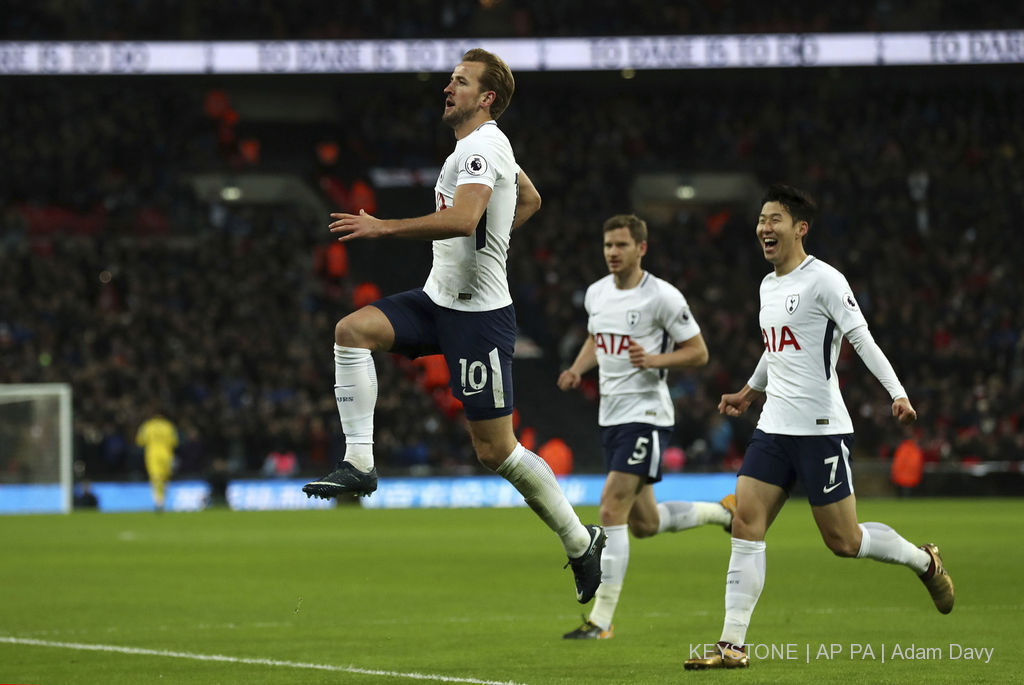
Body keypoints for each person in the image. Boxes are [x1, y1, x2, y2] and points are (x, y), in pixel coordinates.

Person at [302, 48, 605, 603]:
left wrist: (383, 228)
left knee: (495, 451)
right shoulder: (480, 147)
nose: (448, 88)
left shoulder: (483, 146)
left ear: (486, 98)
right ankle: (360, 463)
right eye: (450, 80)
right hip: (437, 299)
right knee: (351, 331)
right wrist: (499, 236)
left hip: (478, 319)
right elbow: (530, 198)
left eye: (460, 82)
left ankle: (580, 540)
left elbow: (465, 219)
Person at [685, 184, 954, 670]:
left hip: (820, 426)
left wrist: (897, 393)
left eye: (775, 220)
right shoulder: (767, 285)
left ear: (800, 228)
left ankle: (923, 560)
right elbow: (778, 347)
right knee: (746, 522)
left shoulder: (826, 280)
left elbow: (861, 338)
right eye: (762, 220)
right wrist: (750, 391)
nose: (765, 228)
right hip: (773, 426)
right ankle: (732, 645)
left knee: (844, 542)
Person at [557, 214, 735, 640]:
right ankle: (721, 512)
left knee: (609, 507)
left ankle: (600, 621)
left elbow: (698, 352)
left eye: (621, 245)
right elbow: (595, 337)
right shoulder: (597, 294)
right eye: (607, 246)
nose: (613, 253)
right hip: (611, 417)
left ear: (641, 248)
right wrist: (578, 369)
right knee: (644, 523)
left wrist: (655, 360)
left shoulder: (663, 298)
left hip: (647, 416)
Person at [135, 411, 178, 512]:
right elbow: (175, 442)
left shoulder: (147, 426)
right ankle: (162, 500)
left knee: (155, 477)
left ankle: (159, 501)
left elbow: (140, 441)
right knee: (165, 478)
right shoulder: (169, 426)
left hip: (152, 454)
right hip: (167, 454)